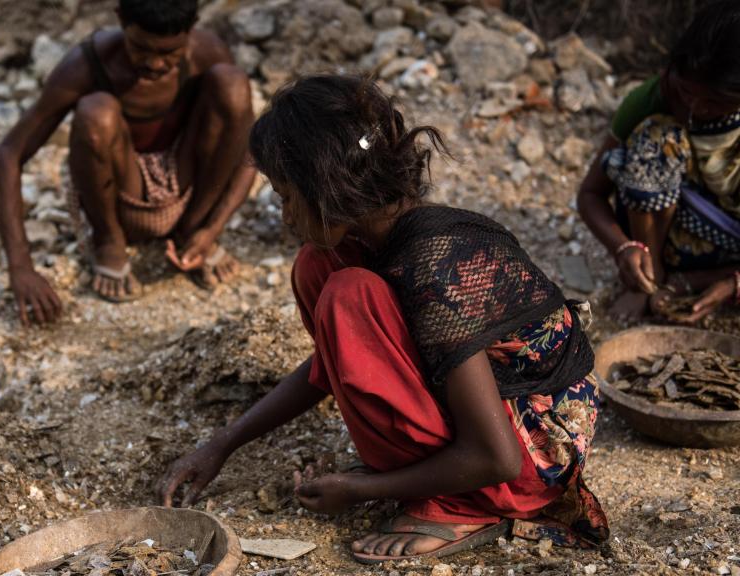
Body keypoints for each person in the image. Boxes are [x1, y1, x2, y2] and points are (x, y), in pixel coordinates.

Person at [156, 75, 608, 562]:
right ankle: (432, 473)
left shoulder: (434, 265)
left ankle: (459, 506)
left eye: (286, 195)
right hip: (498, 425)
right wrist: (223, 444)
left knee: (349, 294)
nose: (285, 215)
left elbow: (496, 456)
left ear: (326, 189)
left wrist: (360, 489)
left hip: (527, 459)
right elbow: (330, 369)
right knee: (320, 265)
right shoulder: (376, 238)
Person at [0, 0, 255, 325]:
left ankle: (193, 232)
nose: (156, 64)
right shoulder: (86, 65)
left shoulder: (206, 53)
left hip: (187, 187)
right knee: (96, 111)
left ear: (191, 30)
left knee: (233, 84)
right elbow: (9, 154)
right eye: (141, 48)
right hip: (119, 195)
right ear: (120, 20)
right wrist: (20, 267)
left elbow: (249, 149)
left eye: (170, 53)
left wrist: (213, 226)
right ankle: (109, 243)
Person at [577, 0, 740, 322]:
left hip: (731, 253)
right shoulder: (651, 99)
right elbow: (590, 195)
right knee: (657, 139)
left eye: (713, 102)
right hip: (670, 244)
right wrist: (624, 249)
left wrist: (731, 285)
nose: (694, 108)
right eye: (686, 91)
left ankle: (695, 283)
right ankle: (650, 279)